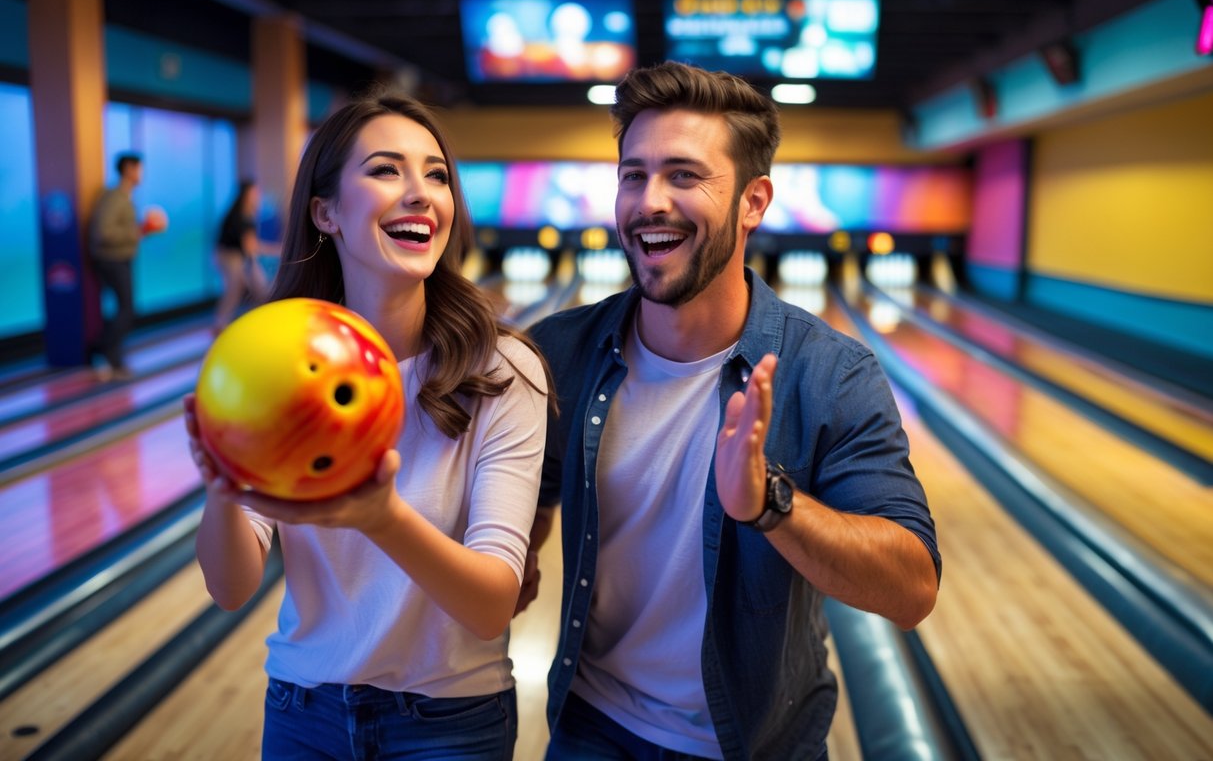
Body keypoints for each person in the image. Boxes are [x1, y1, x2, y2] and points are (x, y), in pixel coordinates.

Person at [521, 62, 941, 760]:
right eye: (633, 174)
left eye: (684, 176)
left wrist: (770, 505)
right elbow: (517, 524)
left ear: (753, 201)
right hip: (592, 731)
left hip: (760, 742)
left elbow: (911, 589)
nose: (649, 200)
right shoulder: (558, 354)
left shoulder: (831, 375)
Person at [185, 93, 552, 760]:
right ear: (324, 212)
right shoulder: (278, 364)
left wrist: (379, 516)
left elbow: (491, 605)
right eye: (386, 170)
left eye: (436, 175)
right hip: (303, 706)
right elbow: (231, 588)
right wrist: (221, 484)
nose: (420, 193)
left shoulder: (503, 369)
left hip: (450, 719)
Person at [88, 152, 144, 381]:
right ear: (128, 169)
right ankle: (101, 352)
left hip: (121, 258)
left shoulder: (124, 197)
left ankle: (111, 358)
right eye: (139, 169)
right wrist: (137, 231)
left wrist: (142, 231)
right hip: (112, 260)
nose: (141, 174)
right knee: (126, 310)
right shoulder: (114, 197)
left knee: (125, 309)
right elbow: (104, 233)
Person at [213, 179, 271, 332]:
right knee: (236, 288)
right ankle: (221, 324)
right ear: (246, 195)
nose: (258, 196)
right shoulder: (242, 216)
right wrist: (277, 249)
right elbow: (251, 247)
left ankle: (223, 323)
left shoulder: (241, 213)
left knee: (240, 288)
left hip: (227, 254)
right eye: (255, 193)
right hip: (228, 255)